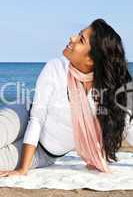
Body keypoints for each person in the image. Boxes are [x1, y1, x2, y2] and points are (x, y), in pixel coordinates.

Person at [0, 18, 133, 176]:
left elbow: (128, 126)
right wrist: (22, 169)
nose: (72, 38)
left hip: (43, 153)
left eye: (81, 39)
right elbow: (37, 118)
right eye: (78, 34)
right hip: (22, 116)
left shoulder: (107, 96)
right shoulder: (56, 68)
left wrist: (23, 166)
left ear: (90, 59)